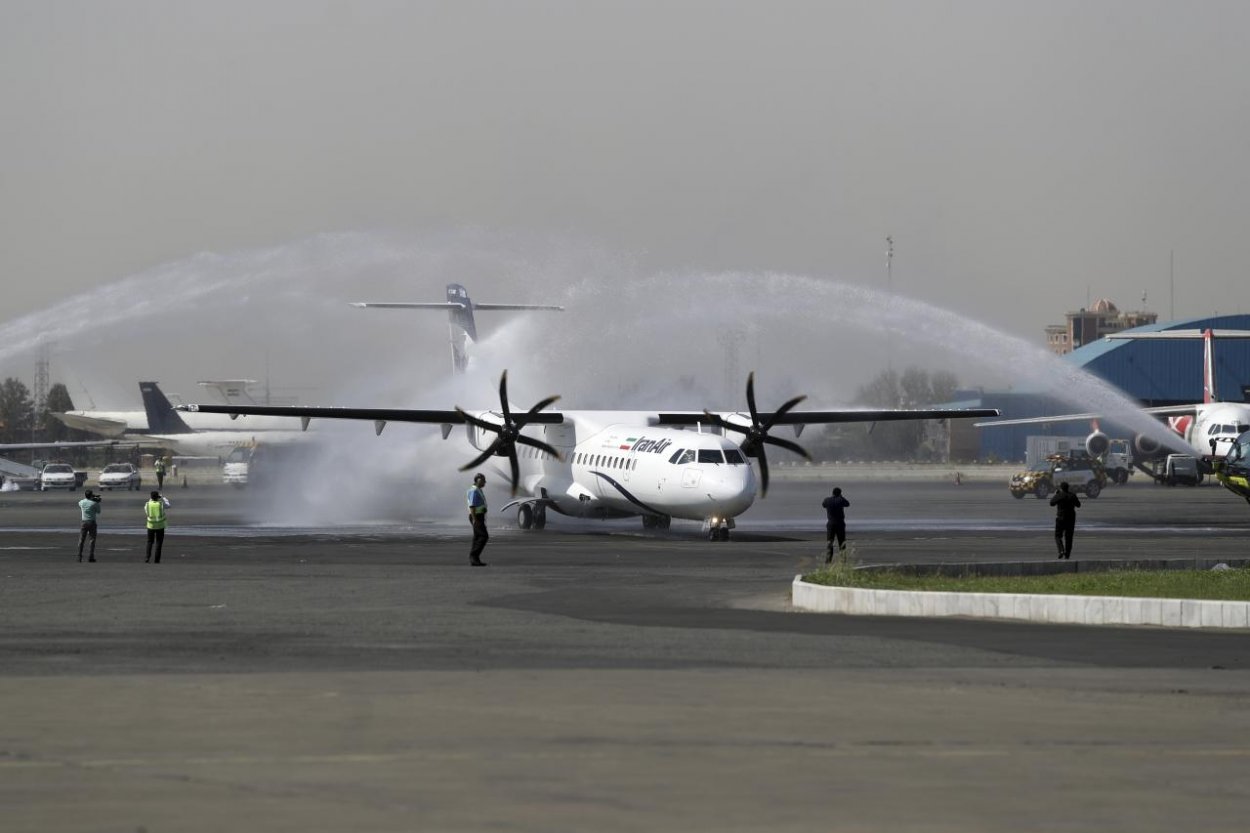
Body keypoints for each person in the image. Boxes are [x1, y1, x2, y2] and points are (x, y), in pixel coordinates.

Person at [1049, 481, 1081, 559]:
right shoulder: (1072, 495)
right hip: (1071, 519)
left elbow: (1051, 503)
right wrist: (1074, 496)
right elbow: (1078, 505)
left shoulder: (1059, 495)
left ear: (1061, 488)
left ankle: (1061, 550)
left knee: (1058, 536)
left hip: (1061, 518)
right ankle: (1067, 555)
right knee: (1069, 538)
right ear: (1068, 488)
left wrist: (1056, 495)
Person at [821, 486, 851, 563]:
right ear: (840, 493)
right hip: (840, 523)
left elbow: (823, 505)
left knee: (830, 542)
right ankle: (843, 559)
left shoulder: (827, 500)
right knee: (842, 542)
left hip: (830, 523)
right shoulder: (840, 500)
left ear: (832, 493)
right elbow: (847, 504)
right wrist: (841, 497)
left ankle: (828, 559)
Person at [466, 473, 489, 566]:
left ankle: (475, 560)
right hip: (476, 516)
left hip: (479, 516)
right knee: (484, 536)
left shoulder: (478, 490)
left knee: (477, 537)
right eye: (483, 480)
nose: (485, 482)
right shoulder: (474, 491)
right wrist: (475, 519)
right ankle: (473, 556)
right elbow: (472, 506)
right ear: (478, 480)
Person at [144, 490, 171, 564]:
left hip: (150, 526)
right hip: (160, 526)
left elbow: (146, 511)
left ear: (151, 497)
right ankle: (157, 559)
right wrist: (163, 498)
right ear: (158, 497)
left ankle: (147, 557)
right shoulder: (161, 504)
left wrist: (151, 499)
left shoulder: (147, 504)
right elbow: (168, 505)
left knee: (149, 542)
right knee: (159, 543)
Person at [77, 490, 103, 562]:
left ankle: (79, 556)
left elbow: (80, 503)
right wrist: (96, 501)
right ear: (91, 495)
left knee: (81, 540)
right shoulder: (94, 503)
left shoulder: (82, 502)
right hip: (92, 522)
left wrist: (91, 498)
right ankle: (91, 556)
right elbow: (98, 512)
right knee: (92, 540)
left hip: (84, 522)